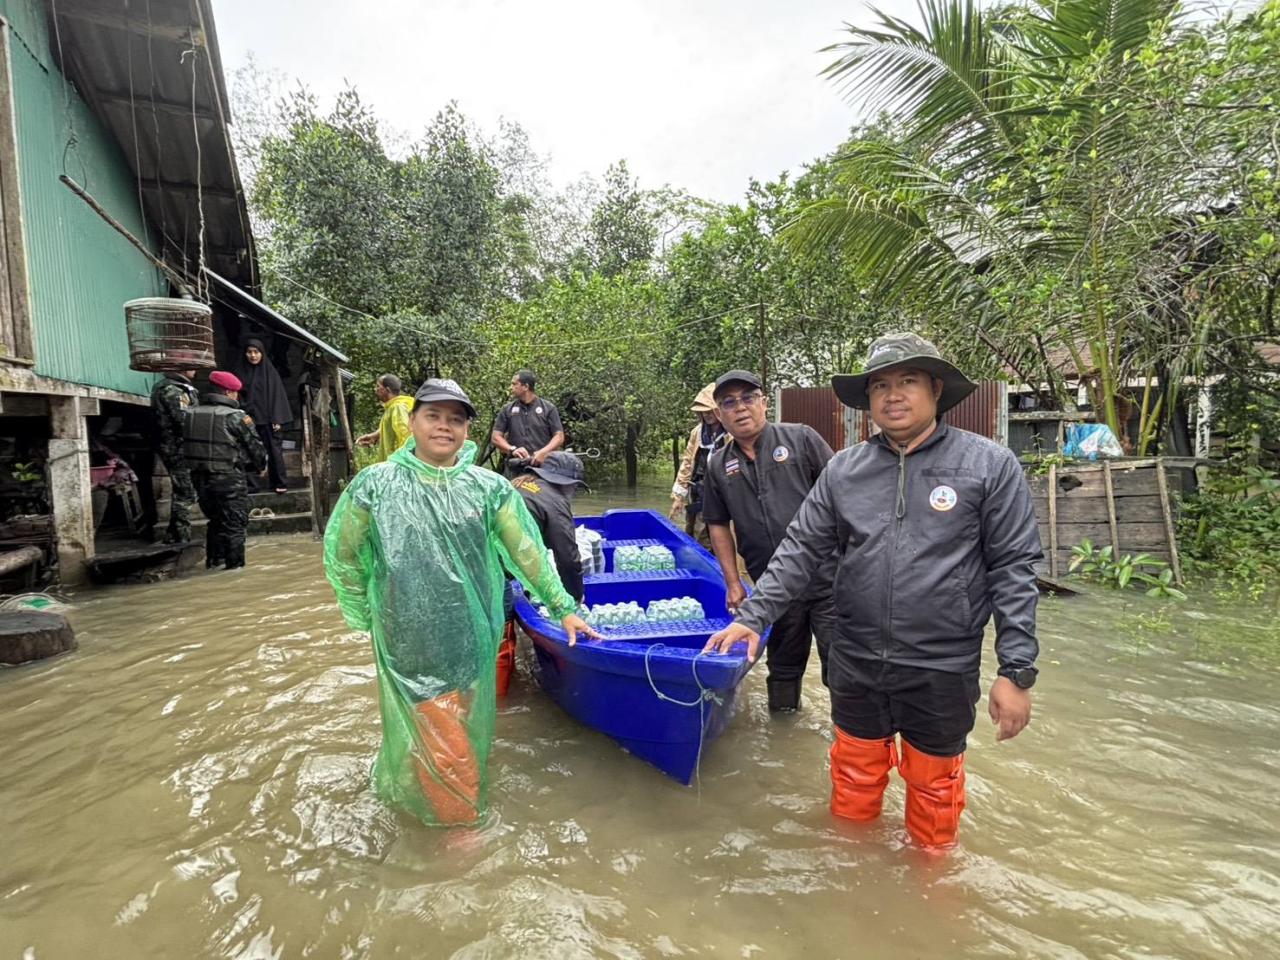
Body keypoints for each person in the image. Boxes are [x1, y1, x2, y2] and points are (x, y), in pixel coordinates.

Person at [706, 334, 1042, 850]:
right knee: (853, 779)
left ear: (935, 388)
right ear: (868, 400)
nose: (893, 395)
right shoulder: (845, 470)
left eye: (907, 381)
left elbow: (1013, 569)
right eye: (880, 385)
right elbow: (798, 550)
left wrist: (1015, 672)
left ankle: (931, 889)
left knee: (935, 791)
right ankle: (853, 877)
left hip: (940, 663)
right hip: (856, 655)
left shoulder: (988, 465)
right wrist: (751, 617)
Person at [323, 378, 598, 826]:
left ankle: (432, 800)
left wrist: (563, 606)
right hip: (409, 637)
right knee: (447, 743)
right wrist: (364, 611)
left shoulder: (489, 489)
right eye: (433, 415)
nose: (444, 427)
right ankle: (461, 837)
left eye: (456, 419)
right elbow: (344, 553)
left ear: (467, 431)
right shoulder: (374, 485)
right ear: (411, 422)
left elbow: (527, 554)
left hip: (471, 637)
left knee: (451, 728)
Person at [700, 370, 837, 713]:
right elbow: (717, 524)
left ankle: (851, 740)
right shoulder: (718, 463)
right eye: (729, 402)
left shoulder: (801, 439)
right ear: (719, 414)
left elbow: (845, 497)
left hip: (831, 580)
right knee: (783, 668)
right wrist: (732, 582)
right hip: (773, 588)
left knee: (844, 667)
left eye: (748, 398)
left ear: (763, 403)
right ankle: (784, 730)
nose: (740, 408)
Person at [501, 452, 589, 695]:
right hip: (491, 571)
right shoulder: (555, 500)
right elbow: (568, 557)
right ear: (567, 484)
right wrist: (572, 601)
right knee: (500, 630)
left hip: (472, 561)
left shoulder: (517, 482)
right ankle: (501, 697)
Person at [183, 370, 268, 571]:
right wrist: (261, 467)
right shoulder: (236, 417)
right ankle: (235, 571)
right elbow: (255, 447)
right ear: (229, 392)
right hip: (229, 480)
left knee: (215, 522)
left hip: (199, 479)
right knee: (235, 527)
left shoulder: (190, 414)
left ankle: (214, 564)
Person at [668, 383, 726, 548]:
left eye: (710, 410)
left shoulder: (731, 432)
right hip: (699, 490)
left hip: (722, 493)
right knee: (694, 533)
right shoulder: (698, 433)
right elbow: (687, 463)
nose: (707, 415)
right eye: (703, 412)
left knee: (716, 537)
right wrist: (679, 497)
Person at [233, 337, 291, 494]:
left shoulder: (270, 373)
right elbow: (237, 396)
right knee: (248, 451)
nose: (252, 356)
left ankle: (279, 482)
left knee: (274, 451)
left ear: (262, 353)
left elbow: (277, 396)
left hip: (269, 420)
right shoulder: (240, 372)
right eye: (249, 352)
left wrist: (277, 418)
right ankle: (252, 485)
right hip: (248, 420)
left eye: (256, 352)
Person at [149, 368, 200, 543]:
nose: (195, 370)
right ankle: (181, 537)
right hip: (176, 448)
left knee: (183, 490)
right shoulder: (173, 390)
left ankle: (173, 535)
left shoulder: (171, 387)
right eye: (191, 366)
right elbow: (184, 420)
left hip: (173, 446)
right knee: (185, 493)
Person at [491, 369, 564, 477]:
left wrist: (543, 452)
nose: (511, 387)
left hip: (542, 468)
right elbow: (495, 437)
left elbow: (559, 437)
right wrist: (512, 449)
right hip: (515, 468)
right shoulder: (507, 409)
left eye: (514, 384)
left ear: (525, 387)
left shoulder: (548, 408)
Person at [355, 374, 415, 463]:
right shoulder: (392, 407)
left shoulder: (397, 408)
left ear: (387, 390)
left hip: (397, 465)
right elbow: (392, 426)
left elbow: (406, 436)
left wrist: (404, 462)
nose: (376, 390)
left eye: (378, 386)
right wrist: (376, 435)